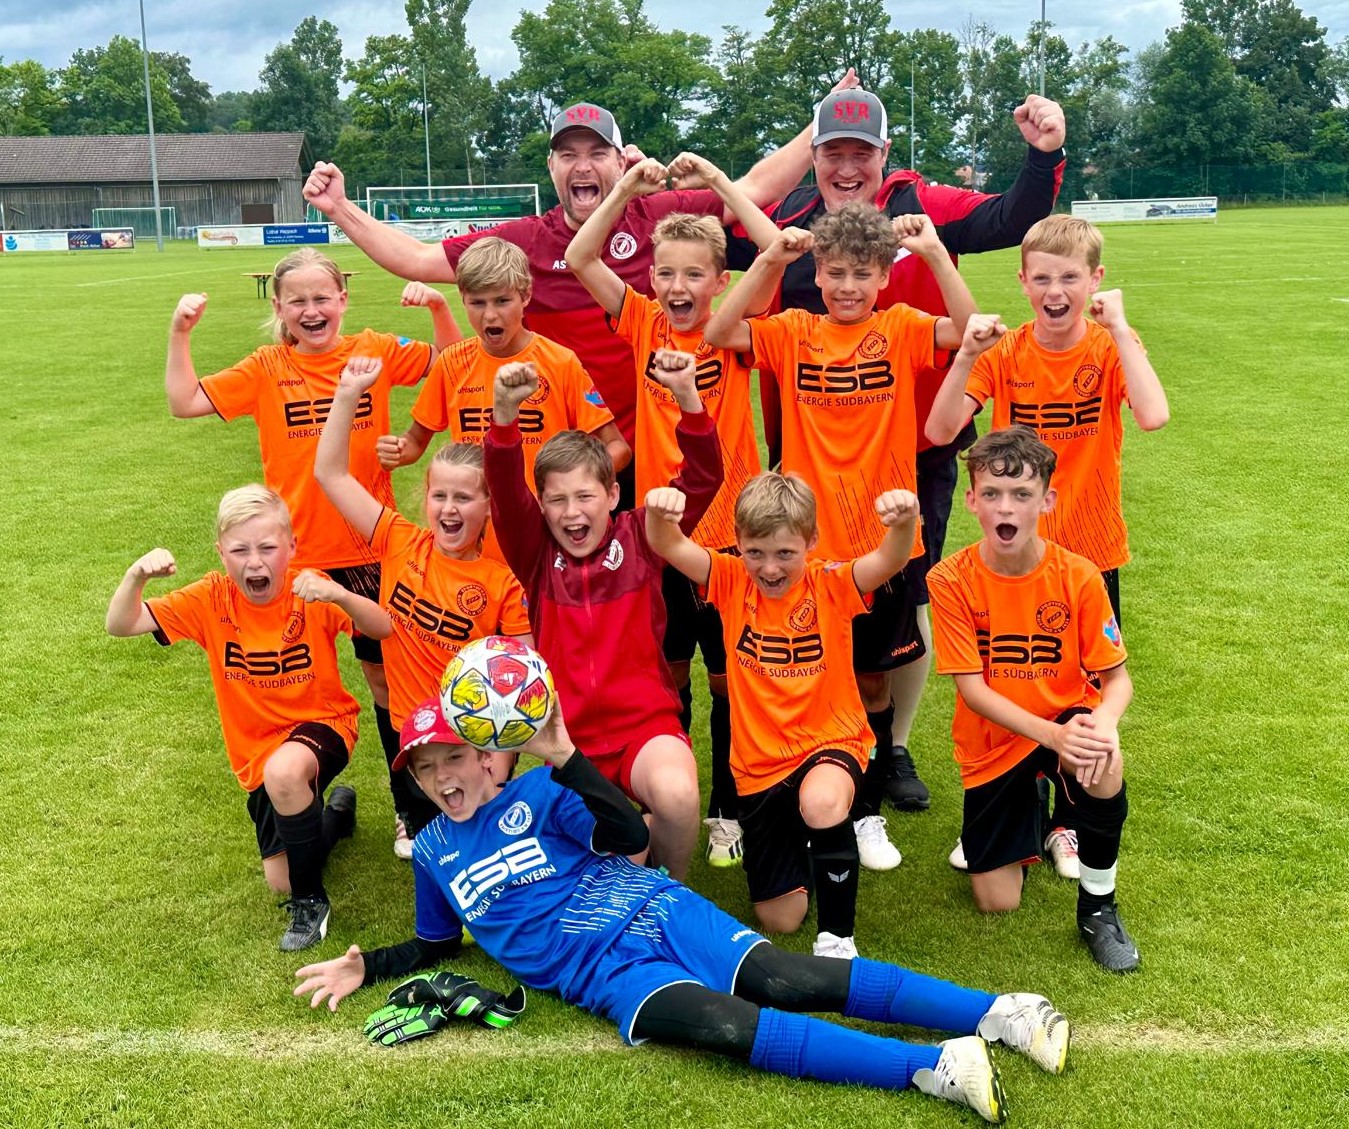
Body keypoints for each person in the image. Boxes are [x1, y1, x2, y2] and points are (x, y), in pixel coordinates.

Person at [293, 694, 1073, 1126]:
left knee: (786, 977)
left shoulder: (535, 790)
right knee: (729, 1027)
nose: (443, 778)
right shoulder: (433, 848)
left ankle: (1001, 1011)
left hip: (651, 906)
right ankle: (934, 1066)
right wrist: (370, 964)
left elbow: (631, 834)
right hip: (605, 976)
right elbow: (436, 942)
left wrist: (564, 758)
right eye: (426, 769)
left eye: (454, 758)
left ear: (485, 755)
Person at [727, 84, 1067, 817]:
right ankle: (819, 739)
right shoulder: (789, 221)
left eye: (862, 153)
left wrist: (1042, 158)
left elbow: (1010, 218)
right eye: (832, 153)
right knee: (814, 601)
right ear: (812, 156)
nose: (847, 168)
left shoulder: (919, 203)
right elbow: (718, 246)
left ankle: (892, 747)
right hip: (812, 453)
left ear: (884, 154)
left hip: (917, 446)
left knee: (903, 598)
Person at [301, 74, 860, 453]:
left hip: (665, 442)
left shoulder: (658, 216)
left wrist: (824, 121)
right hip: (573, 457)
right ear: (551, 167)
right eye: (568, 154)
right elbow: (418, 259)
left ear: (621, 162)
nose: (582, 165)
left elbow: (756, 187)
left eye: (596, 153)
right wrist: (341, 208)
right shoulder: (526, 241)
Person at [705, 204, 973, 872]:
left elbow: (969, 331)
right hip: (804, 552)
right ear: (817, 273)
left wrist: (933, 254)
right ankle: (802, 800)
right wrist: (771, 258)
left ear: (883, 276)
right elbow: (718, 330)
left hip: (881, 548)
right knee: (800, 680)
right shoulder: (793, 331)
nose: (847, 286)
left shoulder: (900, 327)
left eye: (862, 273)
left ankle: (865, 812)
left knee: (873, 684)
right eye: (834, 272)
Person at [165, 250, 458, 858]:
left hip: (372, 549)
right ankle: (298, 797)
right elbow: (184, 400)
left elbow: (453, 364)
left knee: (389, 680)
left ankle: (411, 810)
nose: (311, 309)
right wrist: (181, 332)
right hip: (294, 561)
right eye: (297, 300)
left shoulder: (374, 349)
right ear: (279, 307)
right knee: (295, 681)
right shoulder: (267, 367)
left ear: (343, 299)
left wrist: (437, 307)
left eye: (322, 297)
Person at [926, 215, 1169, 879]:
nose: (1054, 291)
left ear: (1094, 279)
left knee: (1080, 689)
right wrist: (967, 354)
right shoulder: (1006, 353)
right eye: (1041, 278)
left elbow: (1152, 415)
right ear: (1023, 281)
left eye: (1069, 278)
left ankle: (1066, 822)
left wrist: (1121, 329)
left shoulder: (1109, 346)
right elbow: (941, 429)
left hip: (1089, 555)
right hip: (1011, 557)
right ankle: (1008, 806)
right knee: (1008, 676)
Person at [564, 151, 782, 868]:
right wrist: (626, 187)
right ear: (650, 278)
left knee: (730, 681)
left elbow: (778, 249)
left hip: (730, 542)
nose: (678, 287)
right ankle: (666, 798)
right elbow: (580, 255)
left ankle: (727, 809)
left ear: (719, 281)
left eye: (694, 275)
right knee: (666, 676)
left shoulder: (734, 326)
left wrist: (719, 183)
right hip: (659, 537)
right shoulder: (640, 321)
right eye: (665, 273)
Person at [105, 485, 393, 950]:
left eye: (267, 548)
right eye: (240, 550)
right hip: (257, 752)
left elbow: (382, 626)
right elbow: (121, 624)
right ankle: (336, 816)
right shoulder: (210, 598)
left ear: (291, 547)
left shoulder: (309, 588)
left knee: (286, 775)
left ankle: (311, 903)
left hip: (325, 725)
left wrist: (339, 594)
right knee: (280, 876)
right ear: (222, 553)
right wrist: (136, 575)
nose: (254, 562)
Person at [646, 473, 919, 960]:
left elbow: (891, 558)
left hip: (829, 742)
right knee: (780, 918)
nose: (769, 568)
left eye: (785, 553)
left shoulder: (833, 584)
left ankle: (837, 940)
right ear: (738, 543)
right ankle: (813, 845)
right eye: (755, 552)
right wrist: (659, 512)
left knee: (822, 802)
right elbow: (666, 543)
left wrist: (904, 522)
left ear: (811, 541)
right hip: (759, 766)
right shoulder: (728, 579)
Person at [484, 353, 721, 879]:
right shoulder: (534, 553)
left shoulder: (643, 536)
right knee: (604, 859)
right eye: (556, 500)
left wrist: (687, 395)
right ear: (541, 506)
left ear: (613, 494)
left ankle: (668, 890)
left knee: (678, 796)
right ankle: (636, 865)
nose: (572, 513)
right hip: (569, 742)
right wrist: (503, 416)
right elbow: (502, 489)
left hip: (644, 728)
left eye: (585, 496)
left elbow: (705, 477)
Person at [925, 427, 1140, 972]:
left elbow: (1117, 681)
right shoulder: (950, 580)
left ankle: (1098, 909)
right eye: (992, 493)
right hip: (995, 740)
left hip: (1065, 718)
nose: (1006, 507)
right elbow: (973, 692)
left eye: (1022, 494)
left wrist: (1103, 722)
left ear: (1047, 500)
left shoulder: (1080, 576)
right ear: (971, 500)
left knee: (1102, 757)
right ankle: (1034, 813)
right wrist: (1052, 737)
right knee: (997, 901)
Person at [314, 355, 533, 858]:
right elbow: (329, 473)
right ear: (426, 497)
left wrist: (498, 769)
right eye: (439, 496)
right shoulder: (398, 539)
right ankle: (410, 816)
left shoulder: (502, 583)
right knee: (433, 856)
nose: (449, 509)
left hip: (469, 744)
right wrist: (347, 394)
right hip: (412, 740)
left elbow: (524, 684)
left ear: (490, 507)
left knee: (484, 854)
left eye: (464, 498)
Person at [378, 237, 630, 565]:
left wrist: (569, 485)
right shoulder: (452, 363)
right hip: (475, 541)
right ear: (463, 299)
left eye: (502, 301)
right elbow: (415, 441)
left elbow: (618, 448)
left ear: (525, 296)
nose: (490, 315)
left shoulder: (559, 362)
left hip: (545, 537)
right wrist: (398, 451)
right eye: (477, 303)